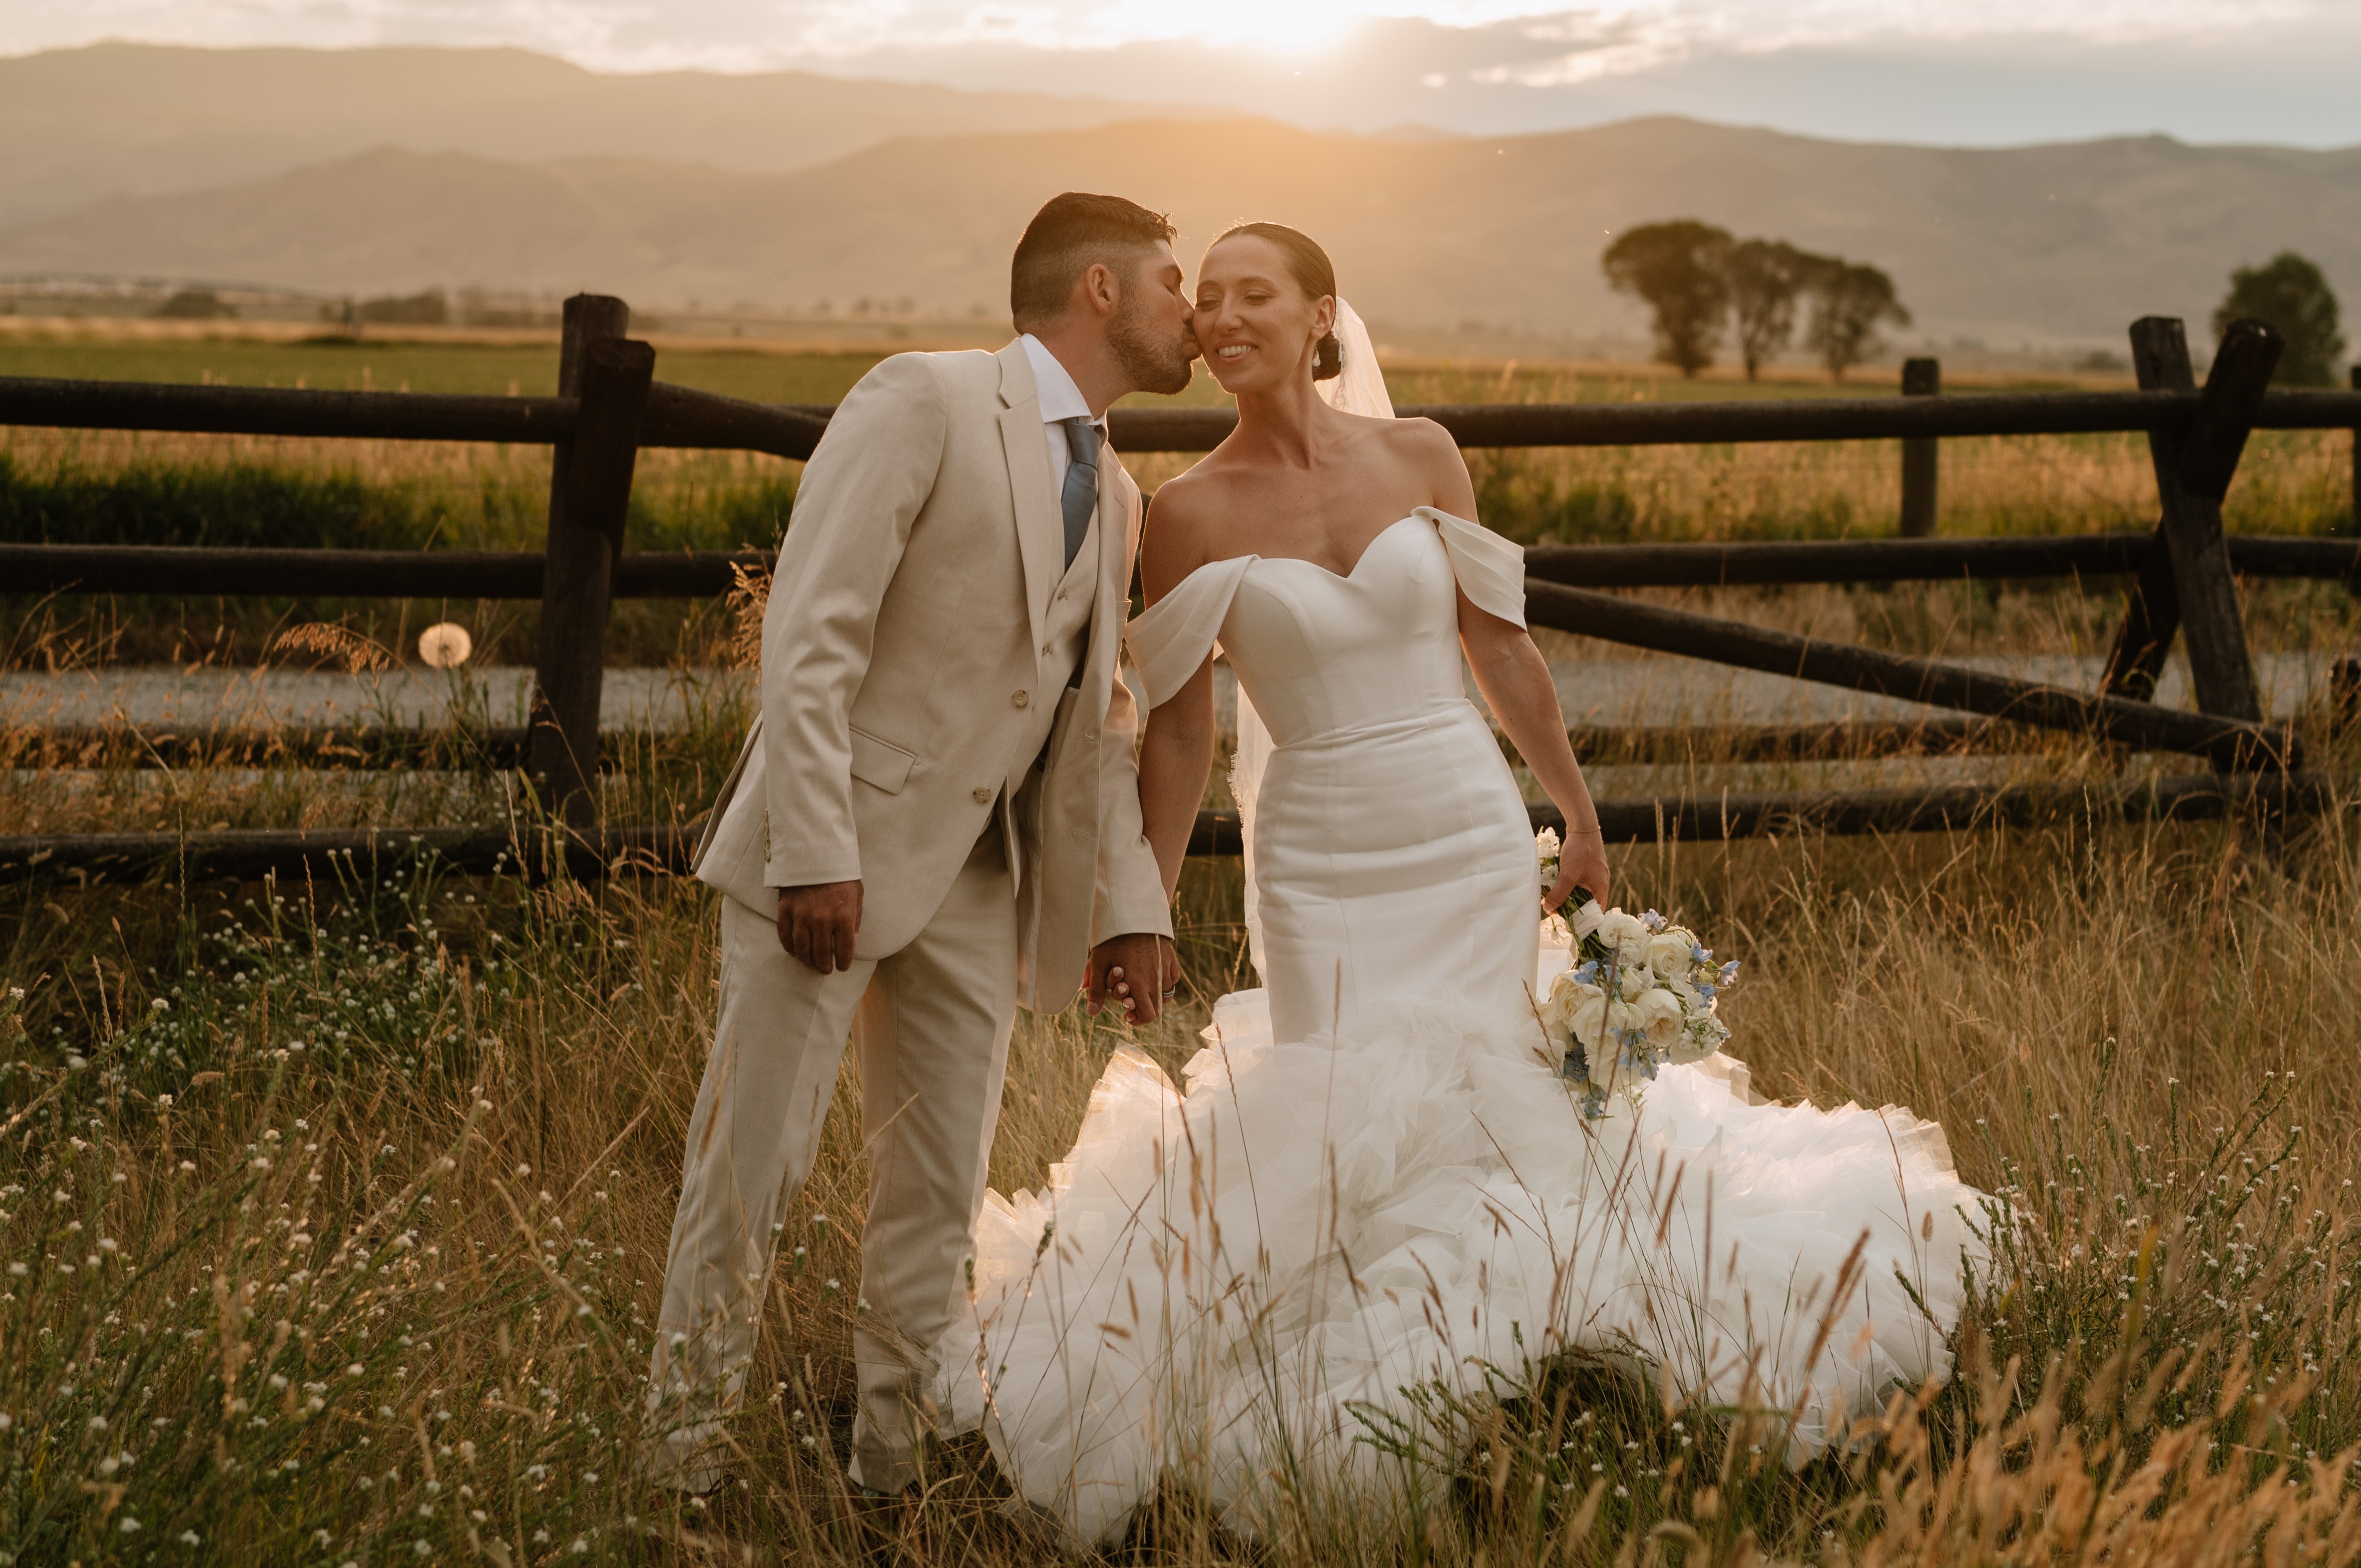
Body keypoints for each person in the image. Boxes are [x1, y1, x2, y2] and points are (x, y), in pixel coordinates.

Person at [937, 223, 1990, 1543]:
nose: (1220, 315)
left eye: (1252, 291)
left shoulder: (1424, 455)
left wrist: (1576, 809)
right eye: (1204, 298)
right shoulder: (1186, 511)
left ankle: (1549, 1353)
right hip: (1321, 854)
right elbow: (1189, 735)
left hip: (1465, 827)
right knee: (1345, 1099)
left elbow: (1502, 648)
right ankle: (1360, 1385)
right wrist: (1142, 898)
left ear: (1323, 317)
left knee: (1502, 1086)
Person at [643, 191, 1195, 1496]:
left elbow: (1096, 724)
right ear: (1102, 289)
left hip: (981, 880)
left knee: (938, 1196)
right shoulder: (926, 399)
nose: (1195, 313)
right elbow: (815, 631)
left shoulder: (1113, 490)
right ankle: (679, 1470)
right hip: (821, 863)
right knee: (752, 1172)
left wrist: (1129, 904)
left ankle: (887, 1473)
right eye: (1175, 280)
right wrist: (812, 850)